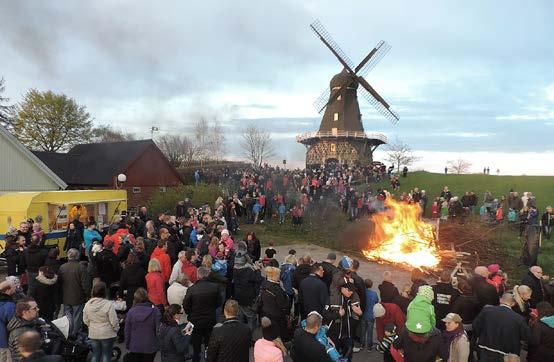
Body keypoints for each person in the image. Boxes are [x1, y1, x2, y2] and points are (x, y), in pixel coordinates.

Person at [472, 293, 531, 360]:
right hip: (506, 354)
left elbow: (475, 326)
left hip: (485, 349)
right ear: (513, 304)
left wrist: (482, 336)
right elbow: (526, 337)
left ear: (500, 300)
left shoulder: (487, 311)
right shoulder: (519, 319)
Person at [183, 266, 222, 362]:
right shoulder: (215, 287)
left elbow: (186, 305)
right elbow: (219, 302)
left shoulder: (192, 289)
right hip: (209, 319)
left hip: (195, 321)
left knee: (196, 346)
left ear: (198, 275)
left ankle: (196, 359)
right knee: (209, 345)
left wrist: (190, 313)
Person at [83, 281, 119, 362]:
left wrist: (91, 325)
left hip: (94, 333)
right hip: (107, 334)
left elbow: (85, 320)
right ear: (105, 292)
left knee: (95, 355)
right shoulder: (108, 304)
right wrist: (116, 329)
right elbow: (114, 321)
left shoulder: (88, 304)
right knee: (106, 355)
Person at [58, 248, 90, 337]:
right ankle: (74, 334)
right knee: (77, 317)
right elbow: (85, 284)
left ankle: (67, 332)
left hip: (66, 296)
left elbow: (60, 282)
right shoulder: (81, 268)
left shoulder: (62, 267)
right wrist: (88, 295)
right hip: (78, 297)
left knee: (67, 317)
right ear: (77, 256)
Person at [232, 241, 262, 332]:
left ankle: (241, 333)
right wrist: (257, 270)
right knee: (250, 318)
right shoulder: (248, 271)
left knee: (240, 316)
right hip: (248, 298)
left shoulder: (235, 270)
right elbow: (258, 280)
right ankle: (249, 336)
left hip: (238, 296)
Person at [125, 288, 161, 362]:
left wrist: (127, 344)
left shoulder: (131, 312)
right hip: (150, 346)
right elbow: (158, 330)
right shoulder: (155, 311)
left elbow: (127, 331)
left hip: (135, 346)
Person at [260, 266, 292, 342]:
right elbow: (283, 305)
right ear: (275, 276)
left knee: (269, 331)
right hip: (276, 315)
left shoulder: (264, 284)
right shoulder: (277, 289)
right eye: (278, 274)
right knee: (278, 333)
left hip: (266, 312)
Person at [361, 279, 379, 350]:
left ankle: (362, 344)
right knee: (370, 332)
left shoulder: (362, 293)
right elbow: (377, 302)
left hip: (363, 315)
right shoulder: (374, 294)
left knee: (363, 331)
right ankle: (369, 346)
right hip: (371, 315)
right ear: (371, 285)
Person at [0, 280, 16, 361]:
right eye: (14, 287)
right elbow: (13, 323)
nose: (16, 288)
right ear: (7, 290)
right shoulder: (9, 305)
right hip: (5, 340)